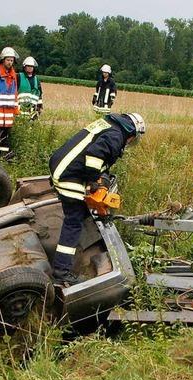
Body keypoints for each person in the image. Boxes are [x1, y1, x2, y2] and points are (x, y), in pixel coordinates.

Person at [49, 113, 146, 285]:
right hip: (68, 176)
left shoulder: (110, 126)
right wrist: (93, 182)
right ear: (132, 132)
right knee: (74, 221)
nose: (131, 141)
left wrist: (101, 176)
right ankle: (61, 271)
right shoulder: (117, 135)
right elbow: (94, 156)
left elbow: (95, 153)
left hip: (62, 166)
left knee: (81, 213)